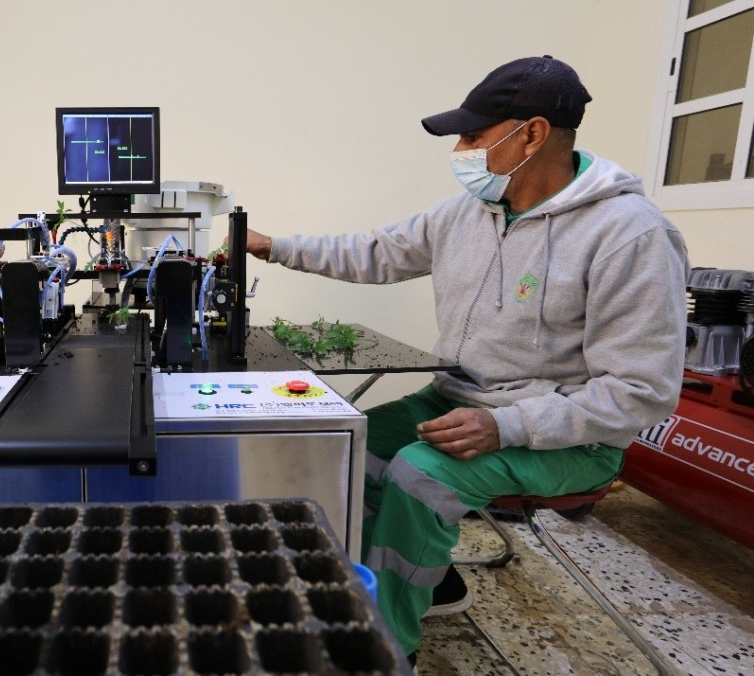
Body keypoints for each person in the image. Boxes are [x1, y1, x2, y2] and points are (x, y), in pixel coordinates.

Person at [244, 55, 689, 660]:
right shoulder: (470, 212)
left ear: (531, 134)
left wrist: (506, 424)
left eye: (474, 136)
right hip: (458, 398)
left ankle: (385, 646)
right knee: (351, 450)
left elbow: (641, 392)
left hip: (568, 438)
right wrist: (271, 246)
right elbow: (377, 250)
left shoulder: (628, 235)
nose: (461, 150)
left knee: (419, 475)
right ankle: (385, 584)